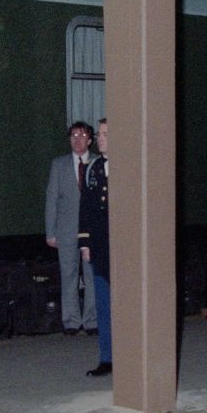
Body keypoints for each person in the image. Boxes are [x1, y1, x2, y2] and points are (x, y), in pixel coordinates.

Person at [45, 120, 97, 335]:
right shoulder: (59, 165)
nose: (77, 140)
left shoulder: (99, 163)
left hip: (93, 232)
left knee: (92, 277)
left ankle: (92, 320)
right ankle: (71, 322)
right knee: (69, 276)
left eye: (82, 136)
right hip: (66, 232)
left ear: (90, 140)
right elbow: (52, 199)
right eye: (73, 136)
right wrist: (51, 232)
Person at [78, 119, 112, 377]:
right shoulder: (93, 168)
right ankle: (107, 358)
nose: (99, 138)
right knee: (103, 304)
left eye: (104, 134)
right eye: (99, 134)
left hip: (123, 247)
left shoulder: (130, 168)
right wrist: (85, 243)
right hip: (100, 246)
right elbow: (86, 210)